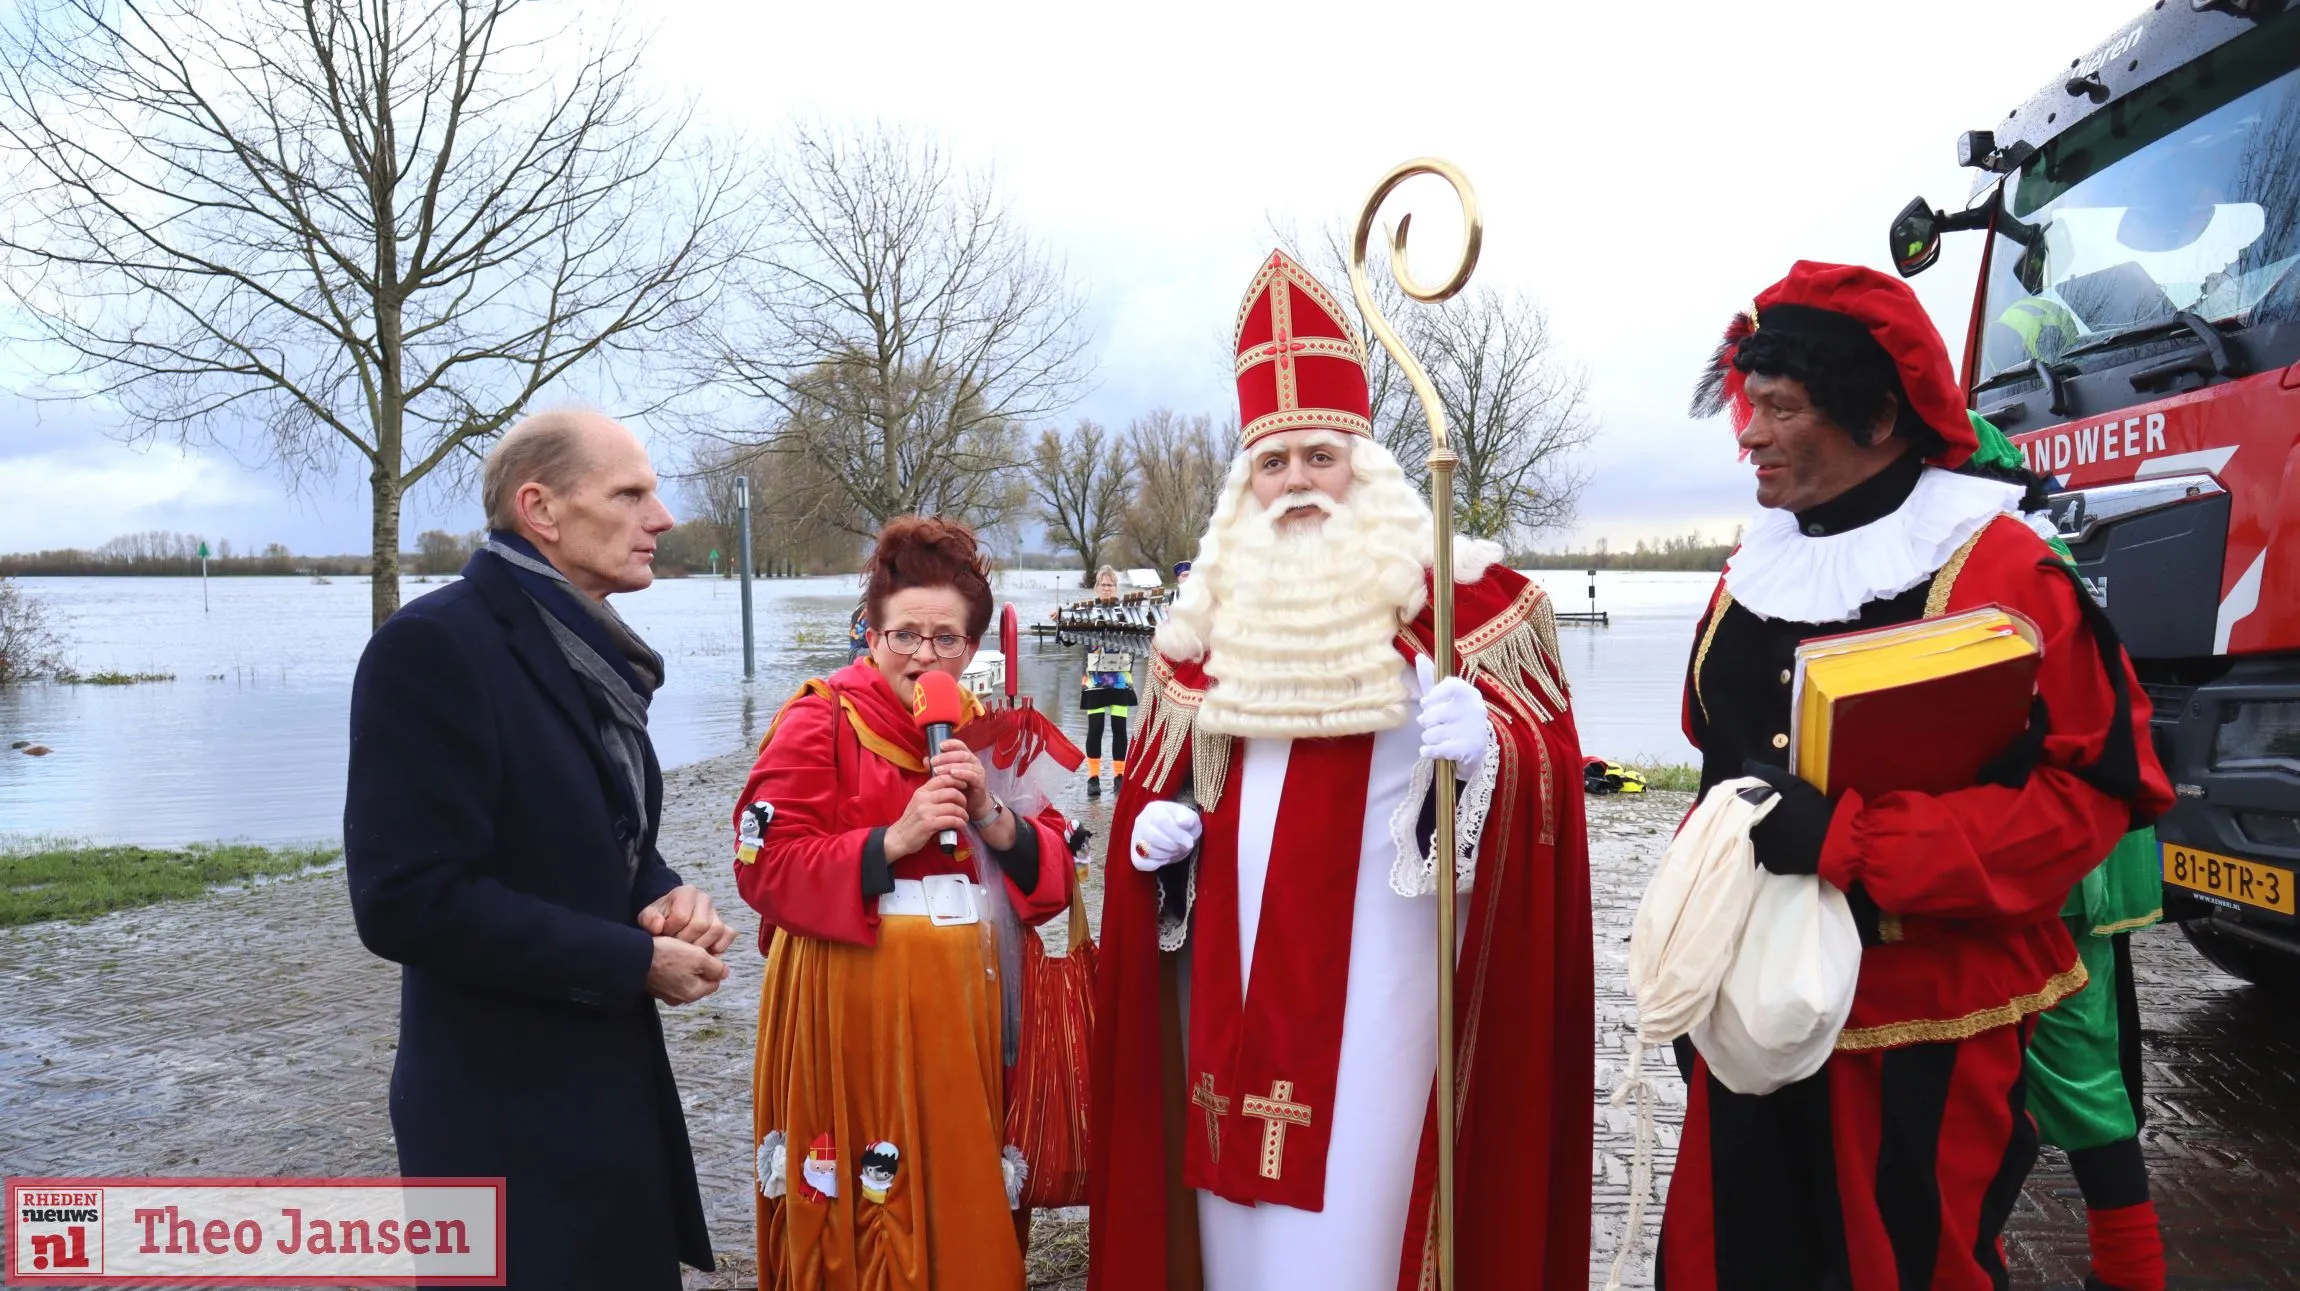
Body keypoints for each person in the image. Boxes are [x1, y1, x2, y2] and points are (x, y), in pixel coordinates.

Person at [1086, 250, 1592, 1291]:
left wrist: (1489, 750)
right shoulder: (1199, 631)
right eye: (1271, 465)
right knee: (1236, 1231)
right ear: (1243, 486)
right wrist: (1157, 840)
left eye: (1318, 456)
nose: (1295, 484)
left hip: (1388, 988)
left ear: (1364, 464)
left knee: (1364, 1219)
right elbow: (1164, 786)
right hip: (1226, 1000)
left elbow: (1547, 785)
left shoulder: (1469, 609)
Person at [1662, 262, 2173, 1290]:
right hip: (1746, 1011)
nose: (1746, 436)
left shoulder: (1997, 568)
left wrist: (1857, 846)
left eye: (1776, 408)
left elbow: (2092, 798)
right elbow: (1714, 758)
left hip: (1920, 1024)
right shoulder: (1748, 568)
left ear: (1875, 415)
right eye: (1743, 407)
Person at [344, 408, 730, 1290]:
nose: (661, 517)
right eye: (631, 493)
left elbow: (602, 838)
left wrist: (663, 893)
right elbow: (406, 897)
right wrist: (633, 960)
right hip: (501, 1121)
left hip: (605, 1101)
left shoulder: (591, 655)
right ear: (541, 510)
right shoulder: (434, 647)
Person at [734, 515, 1077, 1291]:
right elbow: (764, 868)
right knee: (868, 1193)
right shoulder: (820, 718)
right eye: (905, 635)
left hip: (973, 1013)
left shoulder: (990, 734)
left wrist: (995, 817)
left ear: (972, 646)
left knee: (965, 1195)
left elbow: (1056, 879)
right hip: (853, 1009)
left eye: (946, 639)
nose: (925, 655)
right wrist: (891, 839)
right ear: (871, 632)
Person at [1962, 413, 2167, 1291]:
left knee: (2072, 1074)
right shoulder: (2043, 556)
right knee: (2047, 1071)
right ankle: (1977, 1248)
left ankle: (2125, 1272)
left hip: (2065, 873)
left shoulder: (2007, 575)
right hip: (2091, 867)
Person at [1081, 566, 1137, 797]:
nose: (1107, 589)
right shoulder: (1085, 612)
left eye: (1111, 585)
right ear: (1096, 587)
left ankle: (1119, 776)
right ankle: (1093, 778)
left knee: (1119, 729)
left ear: (1116, 588)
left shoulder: (1127, 613)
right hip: (1094, 679)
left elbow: (1141, 636)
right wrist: (1060, 619)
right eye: (1103, 585)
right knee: (1095, 729)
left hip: (1120, 680)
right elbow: (1065, 640)